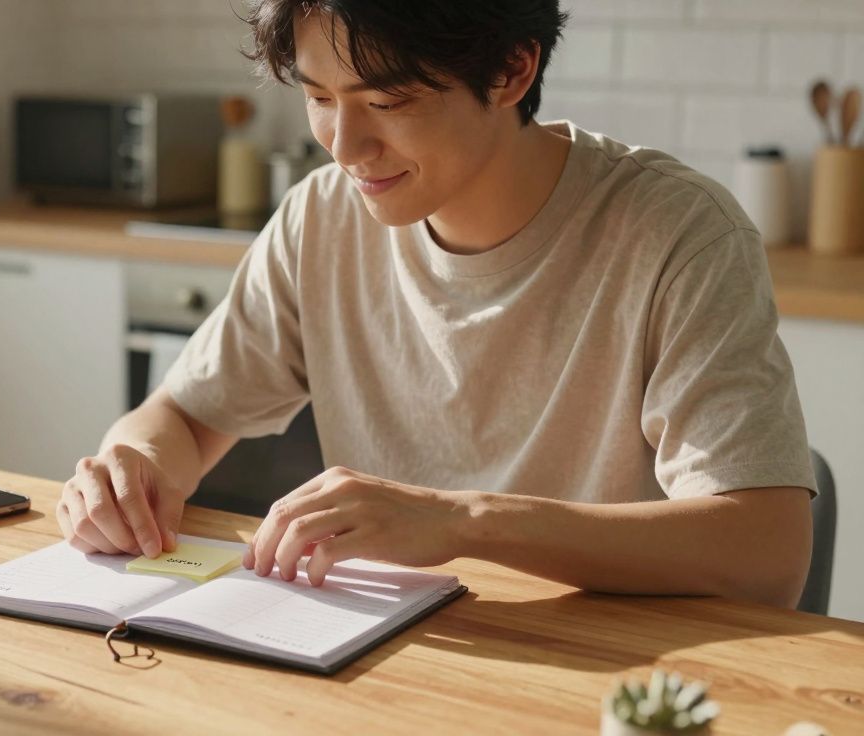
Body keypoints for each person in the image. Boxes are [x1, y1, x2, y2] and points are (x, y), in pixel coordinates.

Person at [55, 0, 817, 608]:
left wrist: (460, 521)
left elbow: (766, 553)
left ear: (514, 69)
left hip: (601, 674)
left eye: (388, 99)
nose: (345, 145)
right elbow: (186, 417)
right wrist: (135, 468)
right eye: (320, 97)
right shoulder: (320, 217)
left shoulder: (678, 235)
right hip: (390, 662)